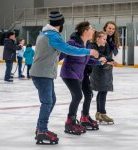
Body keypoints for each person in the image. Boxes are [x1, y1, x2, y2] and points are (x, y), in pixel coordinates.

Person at [29, 11, 99, 145]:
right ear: (61, 24)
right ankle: (42, 130)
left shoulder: (44, 33)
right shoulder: (52, 36)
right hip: (42, 74)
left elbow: (59, 53)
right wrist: (88, 51)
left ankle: (40, 128)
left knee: (51, 100)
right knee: (47, 102)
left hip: (43, 73)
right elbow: (68, 49)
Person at [60, 22, 106, 135]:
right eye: (91, 28)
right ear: (85, 31)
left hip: (78, 75)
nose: (93, 30)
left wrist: (98, 62)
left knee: (81, 95)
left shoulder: (86, 44)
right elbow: (59, 55)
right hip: (69, 73)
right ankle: (70, 122)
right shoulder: (72, 43)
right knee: (78, 95)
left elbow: (85, 60)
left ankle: (76, 120)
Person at [91, 21, 120, 124]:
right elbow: (100, 54)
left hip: (107, 67)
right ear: (105, 28)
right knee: (103, 90)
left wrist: (113, 45)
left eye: (113, 29)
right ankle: (102, 113)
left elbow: (115, 52)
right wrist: (110, 61)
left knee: (102, 90)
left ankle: (99, 113)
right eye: (109, 28)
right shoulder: (102, 38)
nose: (111, 30)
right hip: (100, 67)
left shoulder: (111, 40)